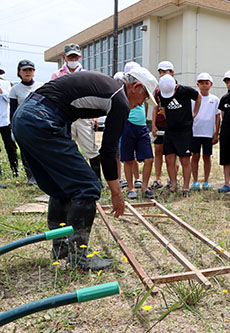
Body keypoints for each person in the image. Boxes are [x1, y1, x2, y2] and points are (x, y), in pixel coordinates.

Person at [12, 67, 158, 271]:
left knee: (61, 188)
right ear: (136, 87)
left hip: (25, 117)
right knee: (88, 186)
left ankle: (61, 248)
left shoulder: (109, 88)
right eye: (144, 98)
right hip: (41, 119)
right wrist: (117, 194)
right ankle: (78, 256)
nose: (141, 104)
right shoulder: (120, 99)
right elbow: (108, 151)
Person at [51, 43, 102, 186]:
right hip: (66, 118)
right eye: (70, 56)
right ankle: (69, 180)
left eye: (75, 56)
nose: (73, 59)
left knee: (91, 149)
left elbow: (93, 97)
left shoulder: (87, 74)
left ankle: (97, 180)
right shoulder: (57, 75)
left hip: (84, 117)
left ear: (80, 56)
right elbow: (53, 96)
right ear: (64, 57)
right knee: (66, 149)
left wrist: (95, 116)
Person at [158, 74, 201, 196]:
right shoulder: (162, 93)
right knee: (169, 158)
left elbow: (198, 97)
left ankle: (186, 187)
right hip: (170, 130)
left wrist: (195, 113)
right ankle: (173, 184)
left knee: (184, 159)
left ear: (175, 87)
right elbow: (164, 107)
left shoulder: (186, 90)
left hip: (184, 130)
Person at [120, 62, 156, 200]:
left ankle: (145, 187)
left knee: (149, 158)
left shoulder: (142, 94)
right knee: (128, 159)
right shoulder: (127, 92)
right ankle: (130, 187)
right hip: (127, 125)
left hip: (141, 126)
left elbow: (145, 107)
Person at [189, 73, 220, 191]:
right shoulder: (193, 100)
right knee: (195, 156)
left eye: (206, 83)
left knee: (207, 157)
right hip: (195, 132)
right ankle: (195, 181)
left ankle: (206, 181)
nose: (204, 86)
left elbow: (218, 117)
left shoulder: (215, 99)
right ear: (197, 84)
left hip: (208, 133)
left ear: (211, 84)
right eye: (201, 83)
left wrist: (216, 133)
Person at [151, 61, 175, 189]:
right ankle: (158, 177)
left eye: (165, 71)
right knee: (158, 151)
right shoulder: (157, 91)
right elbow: (155, 108)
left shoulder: (177, 89)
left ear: (172, 72)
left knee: (172, 153)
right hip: (160, 124)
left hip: (172, 125)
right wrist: (153, 125)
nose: (162, 74)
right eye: (160, 72)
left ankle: (173, 178)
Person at [0, 66, 18, 182]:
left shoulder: (6, 84)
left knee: (10, 146)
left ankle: (15, 169)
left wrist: (1, 91)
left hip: (5, 120)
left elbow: (9, 99)